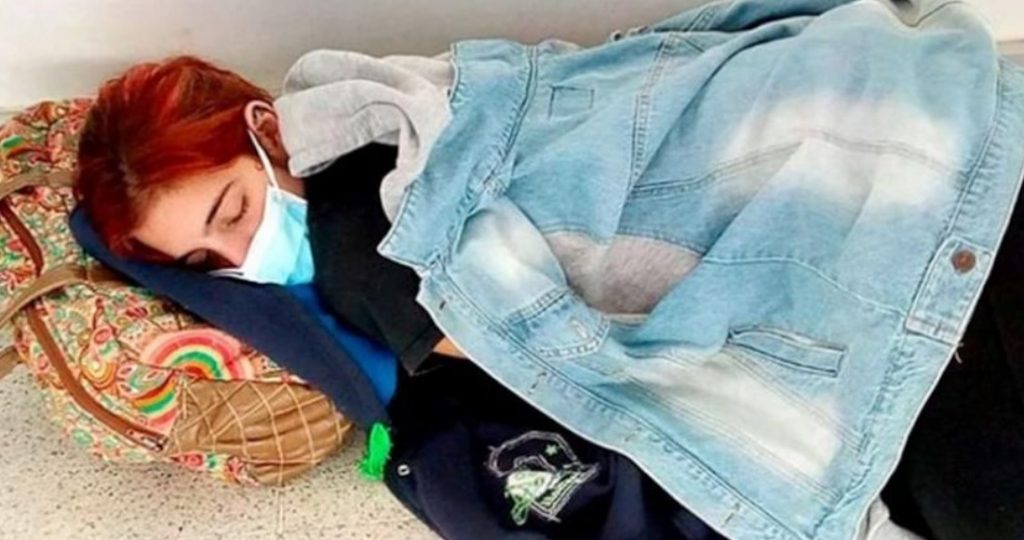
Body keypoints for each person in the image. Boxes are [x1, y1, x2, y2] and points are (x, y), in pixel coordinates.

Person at [72, 1, 1024, 538]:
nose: (245, 259)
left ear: (271, 130)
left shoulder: (361, 228)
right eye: (206, 265)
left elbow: (509, 344)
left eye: (234, 212)